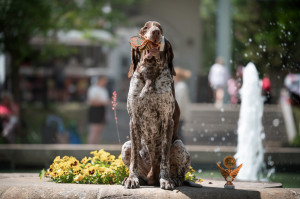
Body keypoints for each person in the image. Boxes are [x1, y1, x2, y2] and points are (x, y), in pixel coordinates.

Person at [87, 76, 109, 144]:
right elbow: (92, 102)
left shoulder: (103, 89)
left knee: (99, 130)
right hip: (95, 111)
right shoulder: (93, 89)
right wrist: (103, 103)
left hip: (102, 111)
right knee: (94, 130)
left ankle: (96, 147)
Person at [174, 67, 191, 142]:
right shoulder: (179, 85)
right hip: (179, 114)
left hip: (179, 114)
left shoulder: (181, 86)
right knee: (177, 132)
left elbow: (179, 102)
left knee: (178, 133)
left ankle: (181, 148)